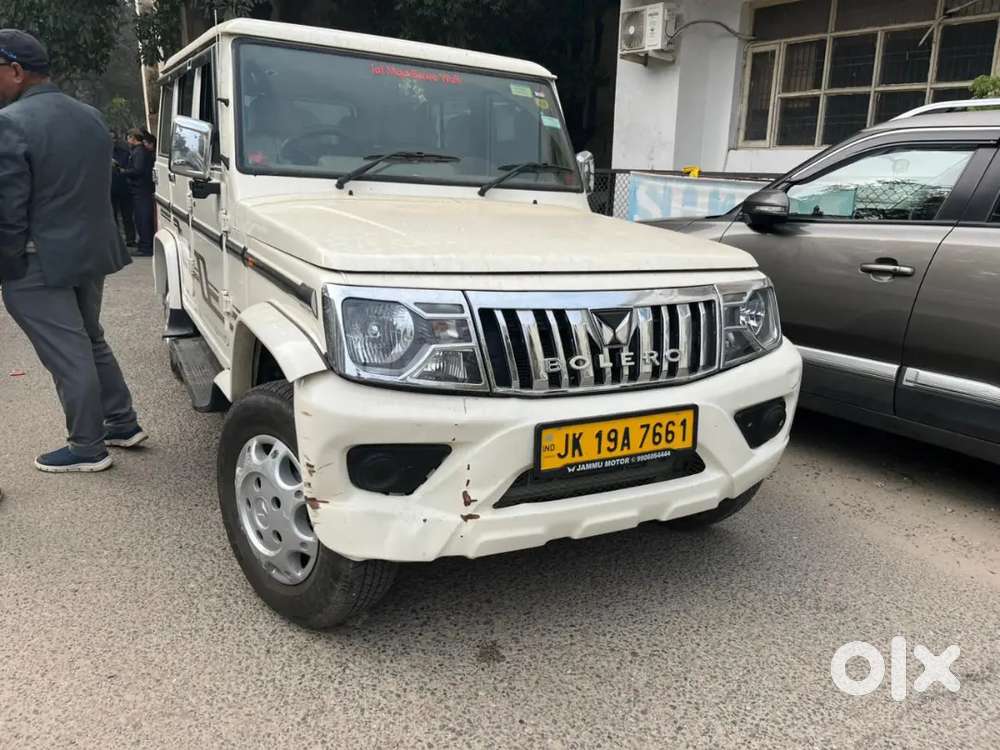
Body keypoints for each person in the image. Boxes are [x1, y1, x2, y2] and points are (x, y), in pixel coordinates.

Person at [0, 29, 147, 473]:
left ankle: (87, 447)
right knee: (89, 339)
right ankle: (121, 423)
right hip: (89, 251)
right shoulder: (90, 115)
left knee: (68, 351)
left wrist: (6, 265)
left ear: (16, 71)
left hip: (38, 257)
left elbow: (8, 206)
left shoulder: (10, 123)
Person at [119, 127, 155, 257]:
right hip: (139, 189)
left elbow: (138, 170)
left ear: (133, 138)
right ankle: (144, 244)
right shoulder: (138, 151)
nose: (127, 141)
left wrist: (123, 171)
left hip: (141, 189)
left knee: (142, 218)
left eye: (128, 138)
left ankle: (146, 246)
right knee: (140, 218)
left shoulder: (139, 152)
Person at [110, 130, 136, 248]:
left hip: (124, 188)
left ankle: (130, 239)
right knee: (112, 216)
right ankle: (116, 241)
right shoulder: (101, 153)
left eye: (114, 139)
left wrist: (117, 165)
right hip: (109, 189)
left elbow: (128, 167)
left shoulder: (124, 152)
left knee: (127, 216)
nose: (113, 141)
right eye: (110, 139)